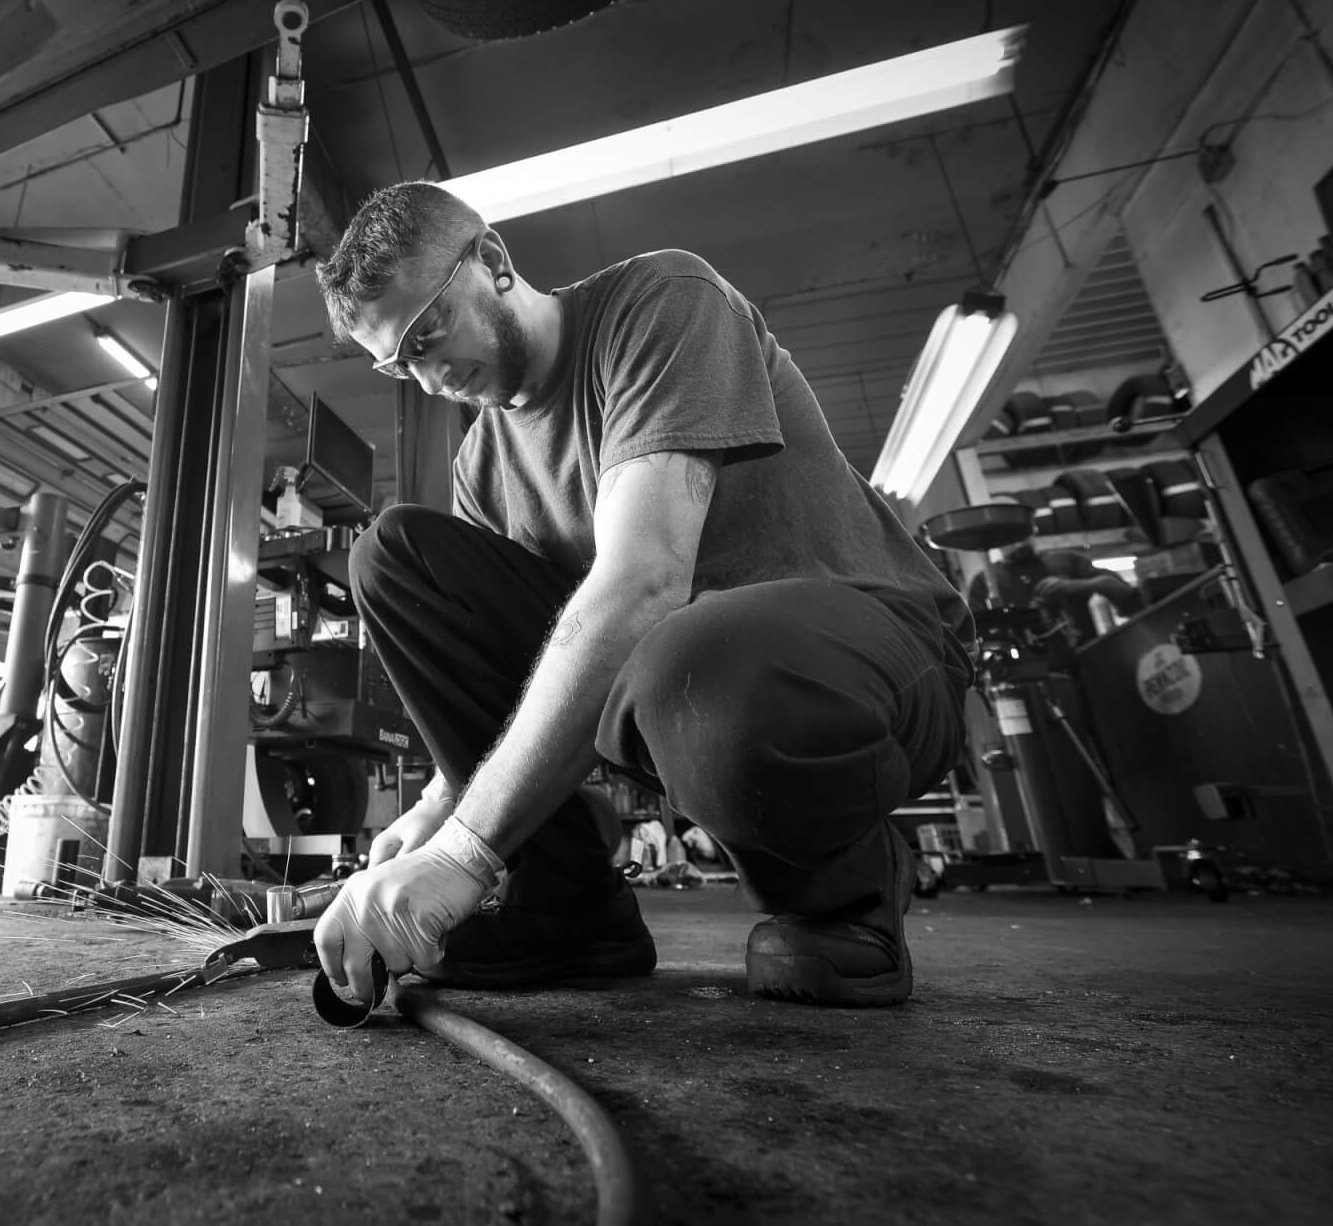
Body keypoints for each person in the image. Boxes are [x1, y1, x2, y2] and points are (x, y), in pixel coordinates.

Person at [310, 181, 974, 1008]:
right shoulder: (483, 465)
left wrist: (465, 852)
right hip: (677, 696)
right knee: (394, 555)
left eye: (428, 332)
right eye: (399, 362)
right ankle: (568, 910)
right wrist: (436, 815)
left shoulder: (660, 302)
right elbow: (531, 680)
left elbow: (645, 581)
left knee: (690, 655)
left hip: (872, 658)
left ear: (493, 262)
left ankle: (844, 900)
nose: (430, 376)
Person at [968, 539, 1142, 645]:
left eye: (1021, 532)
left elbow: (1125, 593)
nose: (1018, 542)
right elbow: (976, 636)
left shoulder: (1066, 560)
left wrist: (1073, 586)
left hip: (1094, 655)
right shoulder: (985, 582)